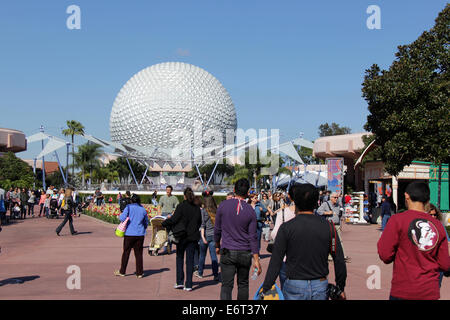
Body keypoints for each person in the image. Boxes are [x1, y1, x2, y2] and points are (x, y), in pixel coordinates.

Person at [260, 183, 347, 300]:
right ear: (317, 202)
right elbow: (339, 259)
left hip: (294, 284)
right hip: (320, 283)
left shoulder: (286, 228)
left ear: (295, 201)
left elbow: (276, 261)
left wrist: (266, 287)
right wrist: (340, 287)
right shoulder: (329, 227)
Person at [377, 182, 450, 300]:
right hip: (429, 291)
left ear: (406, 196)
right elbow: (445, 264)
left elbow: (385, 255)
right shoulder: (438, 226)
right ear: (427, 199)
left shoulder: (397, 220)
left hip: (403, 290)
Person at [214, 178, 262, 300]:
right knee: (243, 285)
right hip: (244, 252)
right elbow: (253, 237)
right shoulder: (250, 211)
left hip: (228, 250)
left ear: (234, 190)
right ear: (247, 193)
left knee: (226, 285)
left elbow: (217, 229)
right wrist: (256, 259)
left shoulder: (223, 206)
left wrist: (217, 245)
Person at [162, 188, 202, 291]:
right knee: (190, 260)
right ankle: (189, 284)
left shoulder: (181, 206)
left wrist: (164, 223)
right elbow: (199, 222)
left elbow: (174, 219)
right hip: (192, 237)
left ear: (184, 196)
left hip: (182, 236)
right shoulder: (196, 207)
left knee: (179, 258)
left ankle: (179, 282)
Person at [114, 194, 149, 278]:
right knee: (139, 254)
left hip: (129, 233)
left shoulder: (128, 207)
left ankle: (122, 271)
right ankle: (139, 272)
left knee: (126, 252)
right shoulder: (143, 209)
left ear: (131, 200)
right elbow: (146, 222)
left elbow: (122, 218)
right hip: (140, 234)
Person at [317, 191, 349, 261]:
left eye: (337, 197)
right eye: (335, 197)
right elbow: (318, 211)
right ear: (331, 198)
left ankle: (342, 255)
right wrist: (327, 212)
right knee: (329, 241)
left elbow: (339, 215)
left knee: (339, 240)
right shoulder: (326, 204)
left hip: (337, 225)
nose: (336, 199)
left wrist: (340, 224)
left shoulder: (338, 205)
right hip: (329, 225)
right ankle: (329, 256)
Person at [196, 193, 220, 281]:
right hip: (213, 235)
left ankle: (200, 272)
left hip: (205, 235)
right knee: (213, 256)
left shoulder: (203, 211)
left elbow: (202, 225)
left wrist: (202, 236)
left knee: (202, 255)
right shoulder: (216, 211)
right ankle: (215, 274)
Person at [160, 185, 180, 254]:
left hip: (170, 215)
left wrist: (172, 214)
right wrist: (159, 215)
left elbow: (177, 207)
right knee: (163, 232)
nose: (168, 191)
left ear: (171, 190)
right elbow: (159, 206)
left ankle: (169, 248)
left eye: (169, 190)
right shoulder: (162, 197)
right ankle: (164, 248)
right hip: (163, 215)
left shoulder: (174, 198)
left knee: (170, 232)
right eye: (167, 190)